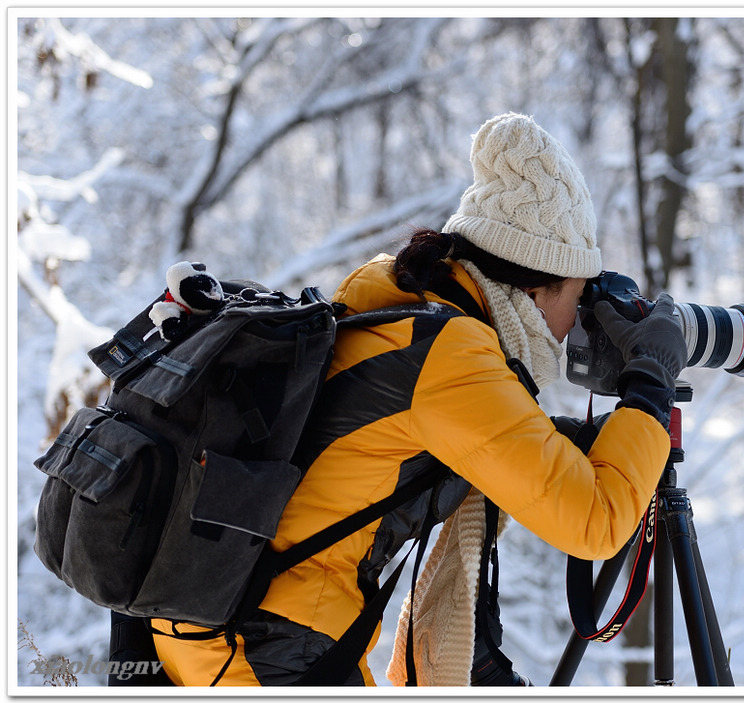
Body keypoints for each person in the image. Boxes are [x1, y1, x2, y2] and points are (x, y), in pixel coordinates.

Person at [151, 112, 684, 686]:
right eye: (576, 299)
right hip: (271, 650)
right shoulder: (452, 355)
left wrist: (576, 438)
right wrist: (649, 380)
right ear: (533, 289)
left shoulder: (397, 311)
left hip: (214, 623)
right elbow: (597, 521)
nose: (571, 326)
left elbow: (424, 435)